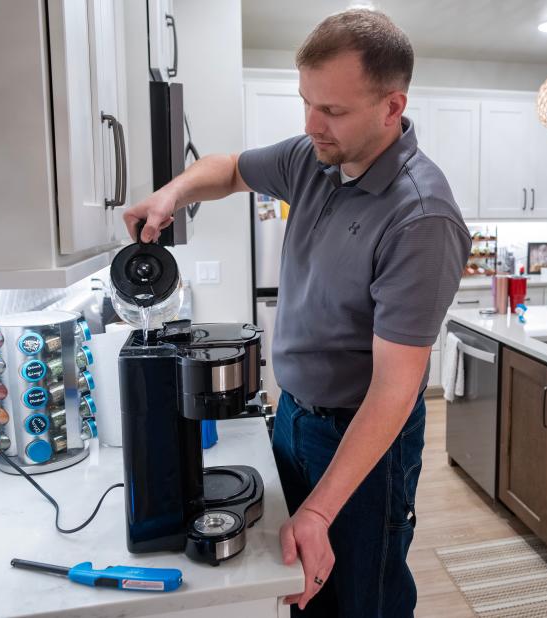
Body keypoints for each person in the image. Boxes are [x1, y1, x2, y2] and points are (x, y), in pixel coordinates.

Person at [123, 9, 470, 617]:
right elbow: (229, 169)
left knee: (365, 598)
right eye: (306, 102)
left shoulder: (421, 218)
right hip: (293, 416)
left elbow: (393, 391)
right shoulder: (315, 159)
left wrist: (318, 508)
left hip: (364, 440)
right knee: (304, 592)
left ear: (392, 107)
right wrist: (172, 193)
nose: (312, 124)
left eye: (332, 110)